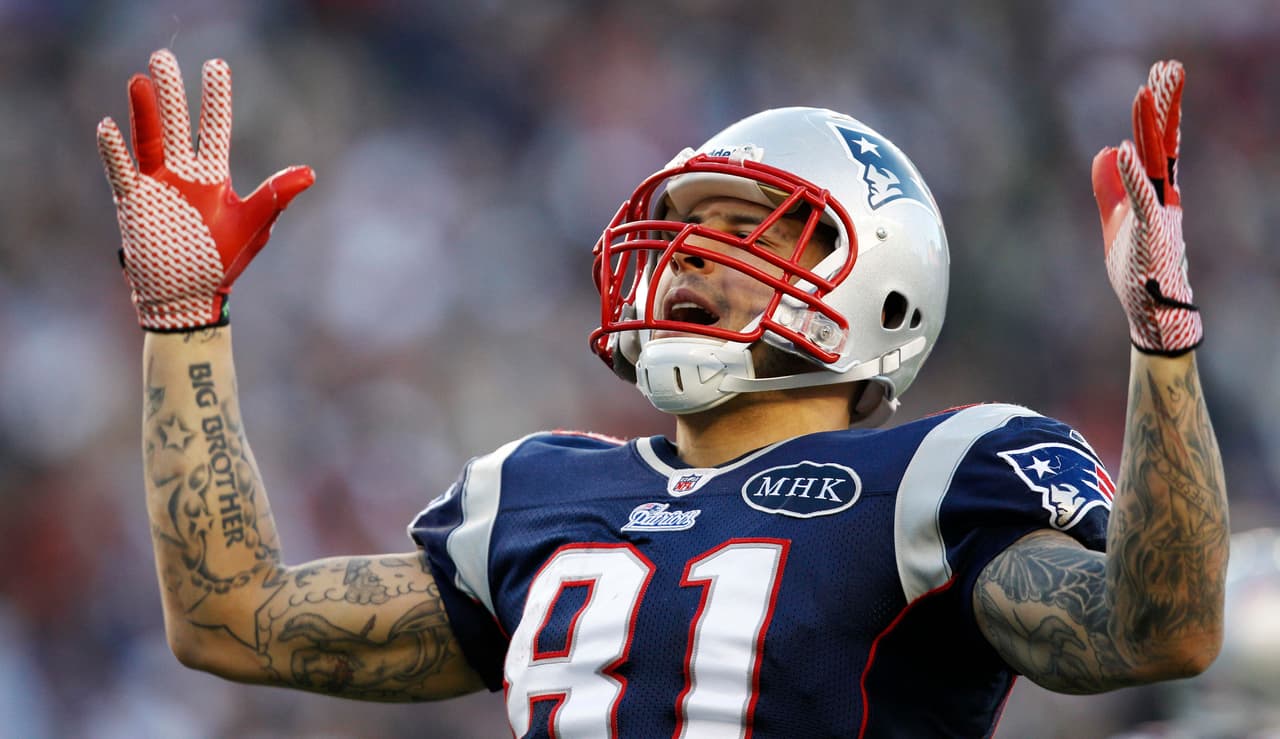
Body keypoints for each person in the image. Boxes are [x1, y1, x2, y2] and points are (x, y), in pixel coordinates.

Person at [96, 48, 1228, 736]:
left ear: (879, 291)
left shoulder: (936, 477)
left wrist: (1161, 343)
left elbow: (1155, 631)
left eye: (743, 234)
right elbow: (230, 621)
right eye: (683, 235)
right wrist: (184, 321)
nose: (687, 259)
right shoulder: (535, 492)